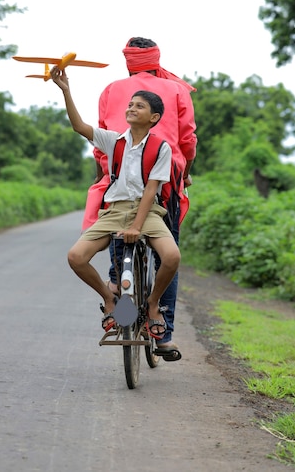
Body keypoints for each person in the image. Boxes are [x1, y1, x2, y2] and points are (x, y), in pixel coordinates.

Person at [82, 37, 197, 360]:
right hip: (165, 176)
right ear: (155, 60)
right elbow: (187, 139)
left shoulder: (111, 89)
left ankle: (117, 283)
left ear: (129, 62)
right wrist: (185, 172)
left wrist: (102, 172)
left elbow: (100, 137)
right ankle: (163, 335)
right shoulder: (176, 90)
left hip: (118, 172)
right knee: (167, 255)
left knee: (116, 226)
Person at [50, 65, 180, 339]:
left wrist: (137, 225)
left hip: (148, 212)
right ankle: (110, 300)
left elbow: (151, 190)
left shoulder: (161, 148)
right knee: (76, 257)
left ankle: (154, 304)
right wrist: (66, 91)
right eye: (130, 104)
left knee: (171, 257)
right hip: (114, 210)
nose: (131, 108)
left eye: (140, 106)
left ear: (153, 117)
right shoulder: (113, 141)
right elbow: (79, 127)